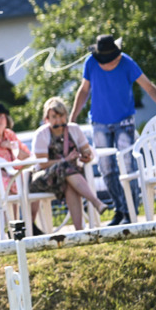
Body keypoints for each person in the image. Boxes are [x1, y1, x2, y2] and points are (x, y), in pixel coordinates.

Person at [70, 34, 156, 225]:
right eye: (106, 61)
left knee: (127, 163)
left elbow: (148, 87)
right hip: (99, 123)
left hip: (124, 122)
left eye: (114, 58)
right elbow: (83, 91)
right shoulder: (91, 63)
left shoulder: (127, 63)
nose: (111, 62)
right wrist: (72, 119)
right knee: (106, 167)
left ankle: (131, 211)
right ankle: (120, 209)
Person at [29, 97, 106, 231]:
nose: (58, 121)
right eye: (54, 117)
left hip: (70, 177)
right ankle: (95, 201)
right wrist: (64, 160)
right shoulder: (41, 134)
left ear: (66, 115)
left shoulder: (74, 129)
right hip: (44, 178)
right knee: (66, 168)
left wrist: (87, 156)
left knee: (69, 184)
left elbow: (86, 149)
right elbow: (42, 164)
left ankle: (79, 231)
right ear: (47, 118)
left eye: (61, 116)